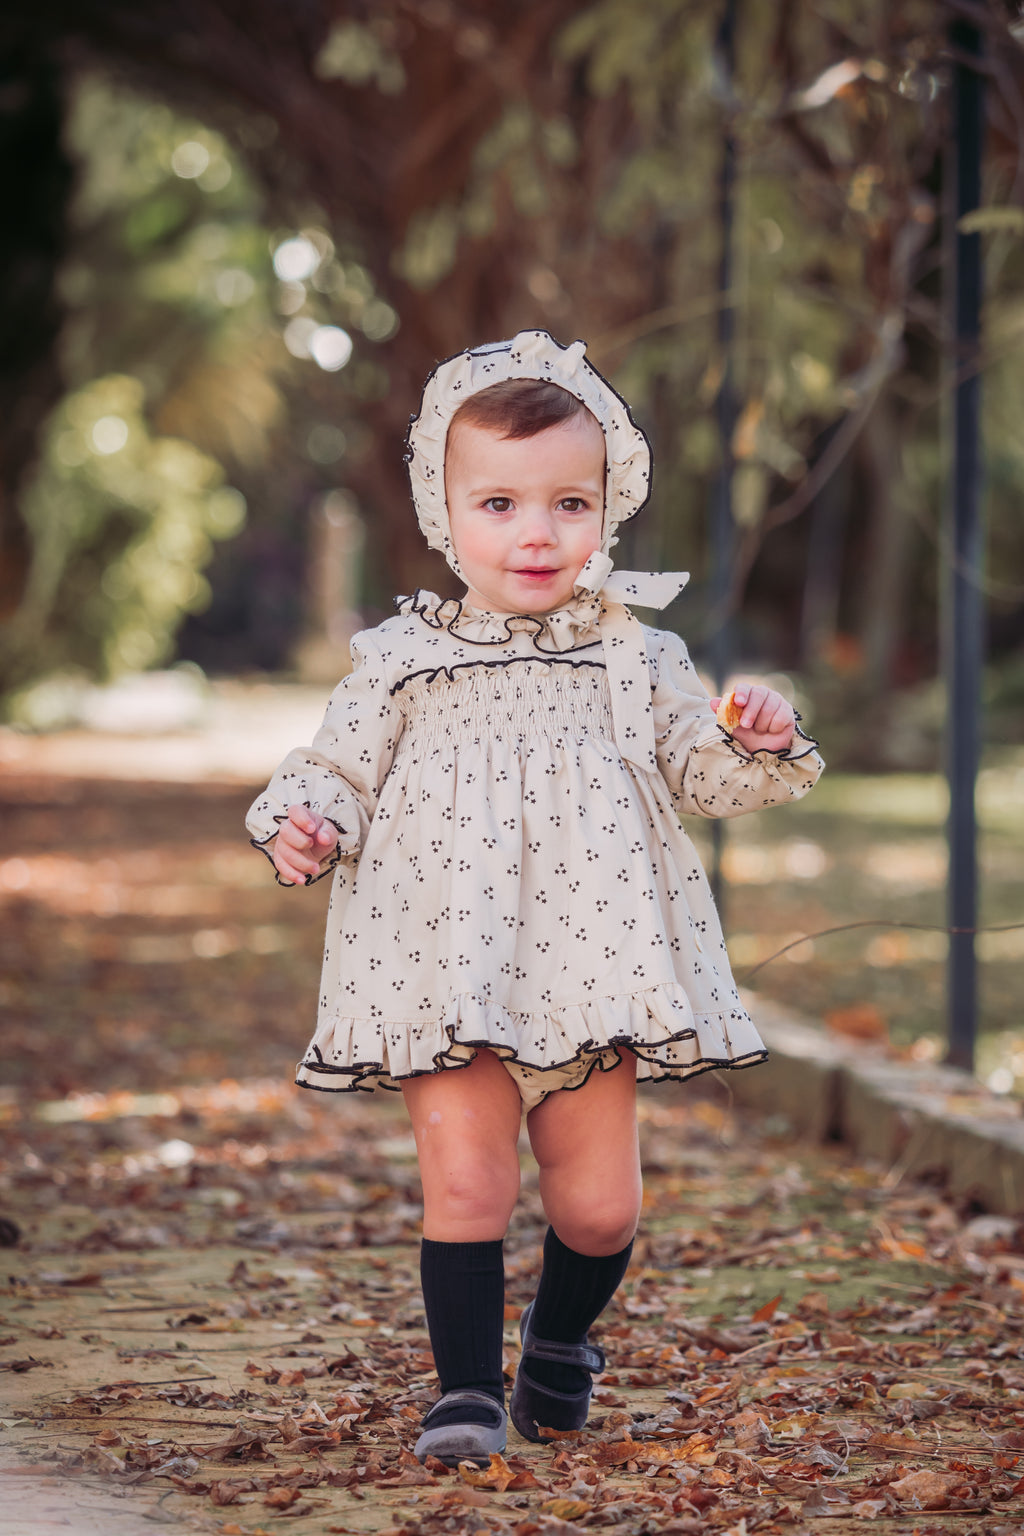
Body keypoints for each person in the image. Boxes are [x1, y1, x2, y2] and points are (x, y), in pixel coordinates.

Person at [246, 330, 823, 1466]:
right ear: (442, 510)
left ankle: (558, 1343)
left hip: (587, 964)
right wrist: (305, 825)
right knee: (466, 1181)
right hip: (440, 959)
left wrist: (758, 735)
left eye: (568, 503)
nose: (536, 532)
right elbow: (339, 771)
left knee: (599, 1209)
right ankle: (462, 1395)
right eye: (499, 503)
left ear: (607, 511)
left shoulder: (635, 656)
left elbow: (699, 774)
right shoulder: (401, 659)